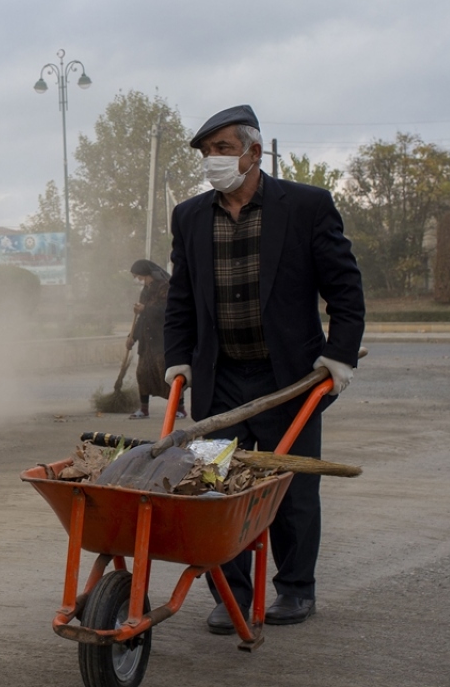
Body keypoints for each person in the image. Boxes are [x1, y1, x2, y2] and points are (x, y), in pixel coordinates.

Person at [164, 105, 365, 633]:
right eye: (207, 153)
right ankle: (229, 594)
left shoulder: (305, 206)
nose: (213, 161)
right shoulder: (189, 217)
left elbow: (344, 288)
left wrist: (339, 355)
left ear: (255, 152)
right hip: (220, 380)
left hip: (289, 381)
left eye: (223, 150)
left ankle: (296, 590)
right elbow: (180, 297)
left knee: (292, 489)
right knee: (214, 485)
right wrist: (177, 359)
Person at [126, 259, 185, 420]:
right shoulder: (145, 291)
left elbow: (168, 310)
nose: (140, 281)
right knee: (142, 373)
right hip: (147, 341)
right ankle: (143, 409)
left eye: (140, 277)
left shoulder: (166, 287)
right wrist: (133, 337)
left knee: (167, 374)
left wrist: (145, 309)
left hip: (163, 339)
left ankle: (180, 408)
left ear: (148, 274)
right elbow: (142, 318)